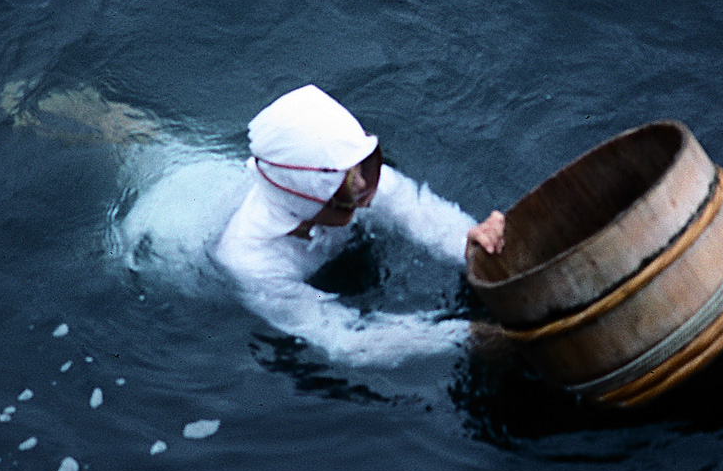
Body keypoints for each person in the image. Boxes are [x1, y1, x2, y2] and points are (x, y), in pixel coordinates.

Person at [212, 84, 505, 367]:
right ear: (310, 190)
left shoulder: (345, 180)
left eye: (361, 166)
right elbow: (348, 341)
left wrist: (472, 245)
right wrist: (463, 335)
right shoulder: (250, 261)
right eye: (349, 180)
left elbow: (423, 215)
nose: (365, 183)